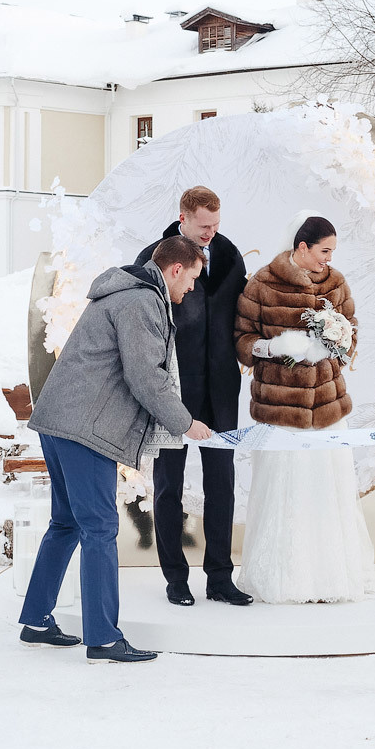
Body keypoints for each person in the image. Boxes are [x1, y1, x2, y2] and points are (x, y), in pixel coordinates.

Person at [18, 235, 215, 662]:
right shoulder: (141, 302)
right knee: (100, 529)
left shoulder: (125, 293)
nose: (193, 289)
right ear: (176, 269)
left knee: (67, 523)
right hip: (84, 427)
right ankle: (104, 638)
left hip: (60, 419)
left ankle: (36, 619)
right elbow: (146, 377)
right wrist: (186, 422)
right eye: (193, 278)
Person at [233, 215, 374, 604]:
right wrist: (271, 349)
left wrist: (334, 348)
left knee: (327, 491)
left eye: (332, 252)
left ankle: (330, 578)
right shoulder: (263, 283)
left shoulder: (337, 282)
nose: (328, 259)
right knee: (285, 490)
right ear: (302, 248)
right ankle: (283, 577)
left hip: (329, 410)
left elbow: (352, 330)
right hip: (280, 411)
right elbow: (242, 337)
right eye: (323, 251)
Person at [133, 185, 251, 608]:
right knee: (169, 487)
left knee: (224, 484)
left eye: (216, 226)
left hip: (221, 389)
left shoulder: (231, 256)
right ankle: (175, 580)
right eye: (203, 226)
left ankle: (220, 577)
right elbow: (138, 327)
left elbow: (243, 314)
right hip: (173, 392)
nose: (211, 234)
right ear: (182, 218)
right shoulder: (153, 260)